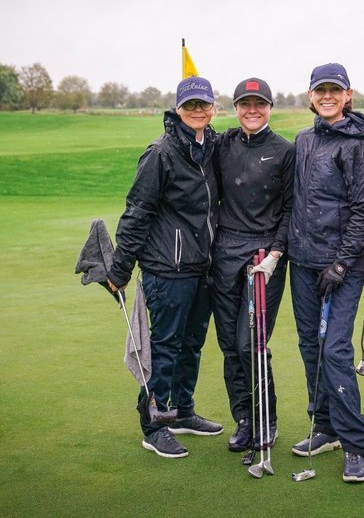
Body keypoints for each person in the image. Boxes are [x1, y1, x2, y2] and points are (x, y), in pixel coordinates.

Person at [107, 76, 224, 459]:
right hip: (166, 268)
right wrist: (120, 266)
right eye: (190, 106)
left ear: (213, 108)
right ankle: (154, 426)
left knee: (191, 345)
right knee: (166, 348)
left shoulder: (209, 147)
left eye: (203, 105)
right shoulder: (161, 152)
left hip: (201, 266)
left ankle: (183, 412)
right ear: (177, 110)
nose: (197, 111)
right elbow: (137, 211)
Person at [287, 63, 364, 483]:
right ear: (310, 96)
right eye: (319, 90)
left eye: (334, 91)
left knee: (336, 348)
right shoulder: (304, 139)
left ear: (347, 95)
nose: (326, 96)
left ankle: (355, 443)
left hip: (341, 265)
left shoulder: (356, 143)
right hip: (303, 262)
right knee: (311, 345)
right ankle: (323, 425)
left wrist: (341, 262)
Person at [211, 78, 294, 453]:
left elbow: (292, 210)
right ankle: (244, 419)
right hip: (224, 252)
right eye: (245, 104)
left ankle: (267, 421)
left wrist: (277, 253)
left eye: (259, 104)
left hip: (262, 257)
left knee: (251, 345)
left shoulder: (284, 151)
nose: (252, 110)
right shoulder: (224, 144)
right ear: (235, 108)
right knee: (230, 344)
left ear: (270, 107)